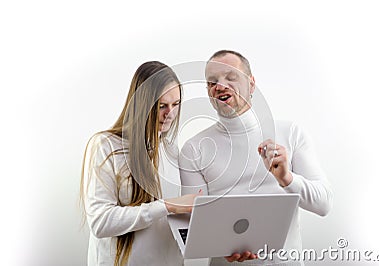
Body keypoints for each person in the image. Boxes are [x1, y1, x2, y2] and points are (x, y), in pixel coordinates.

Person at [179, 50, 333, 265]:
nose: (220, 86)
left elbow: (324, 204)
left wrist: (287, 179)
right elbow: (192, 220)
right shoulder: (193, 148)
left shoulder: (290, 133)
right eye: (212, 82)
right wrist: (220, 244)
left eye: (231, 77)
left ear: (251, 84)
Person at [80, 61, 201, 266]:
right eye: (162, 106)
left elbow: (177, 220)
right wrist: (168, 206)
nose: (170, 113)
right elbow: (101, 222)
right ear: (142, 105)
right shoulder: (105, 146)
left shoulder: (171, 151)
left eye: (176, 104)